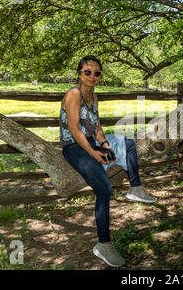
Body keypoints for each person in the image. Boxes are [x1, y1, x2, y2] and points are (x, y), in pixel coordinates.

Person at [59, 55, 157, 267]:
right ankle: (103, 244)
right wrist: (94, 154)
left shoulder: (93, 97)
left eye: (97, 73)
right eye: (87, 72)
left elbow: (98, 127)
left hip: (92, 142)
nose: (92, 76)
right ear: (79, 73)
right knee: (104, 190)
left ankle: (136, 188)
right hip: (74, 147)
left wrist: (104, 145)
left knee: (128, 144)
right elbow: (75, 130)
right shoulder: (73, 95)